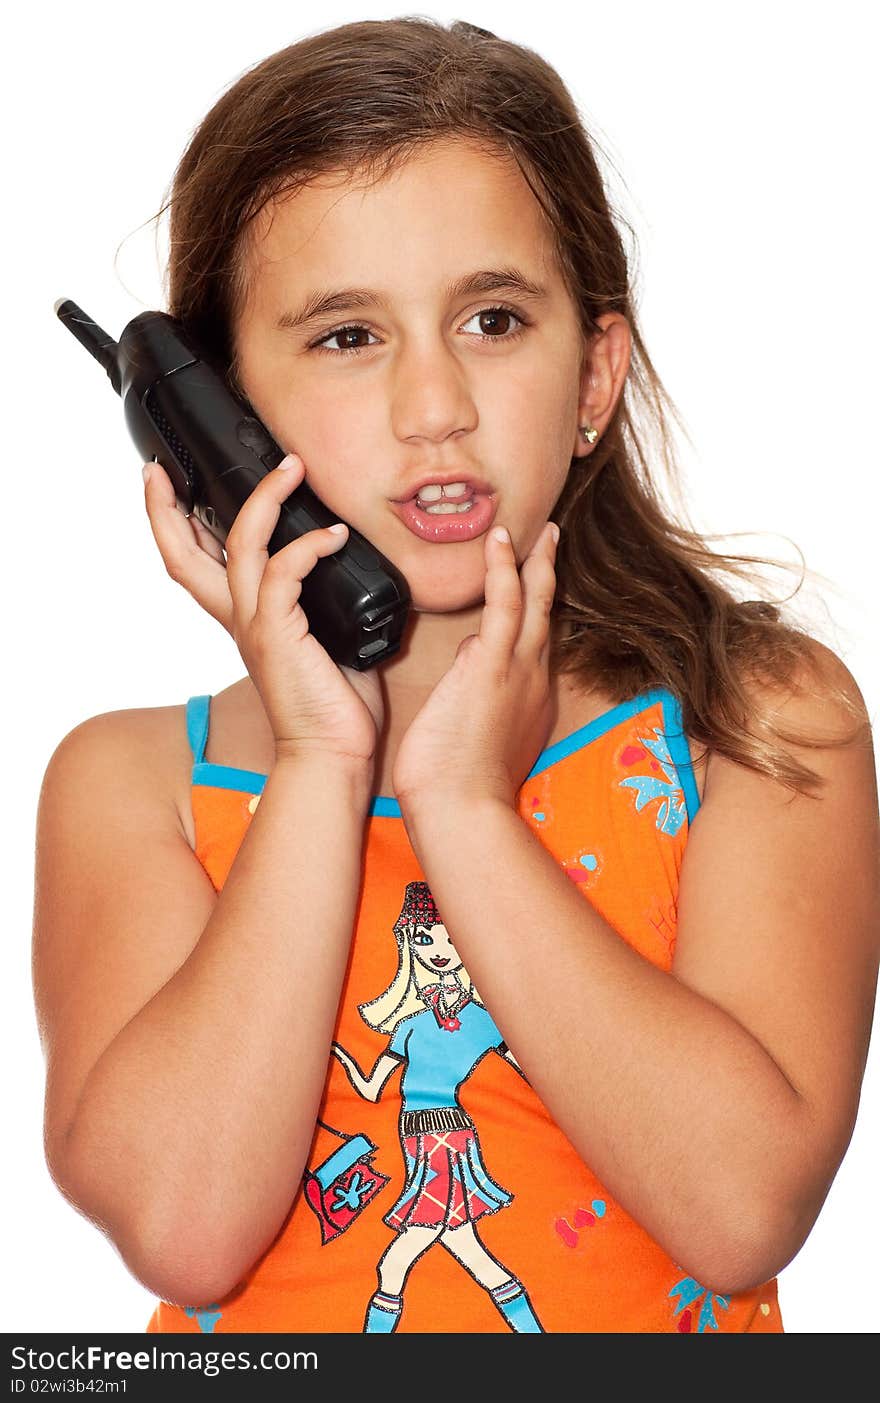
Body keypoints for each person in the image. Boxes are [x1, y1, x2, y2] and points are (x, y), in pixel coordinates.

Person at [32, 17, 878, 1336]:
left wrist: (469, 811)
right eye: (346, 336)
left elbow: (740, 1209)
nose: (437, 405)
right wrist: (322, 765)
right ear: (220, 423)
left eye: (491, 319)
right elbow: (185, 1227)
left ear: (595, 374)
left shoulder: (754, 724)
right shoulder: (132, 785)